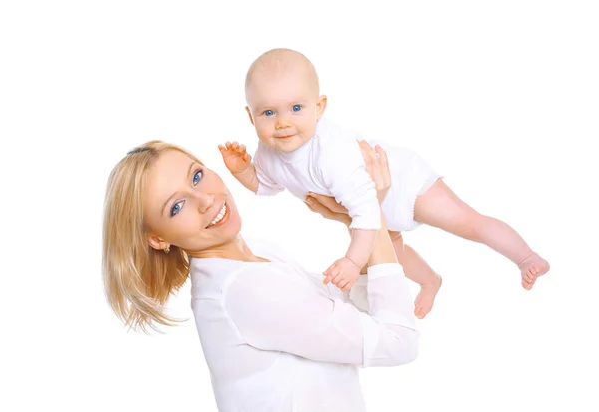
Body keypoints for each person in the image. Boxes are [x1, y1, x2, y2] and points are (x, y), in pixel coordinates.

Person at [220, 47, 550, 319]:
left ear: (318, 107)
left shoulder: (330, 154)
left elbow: (365, 212)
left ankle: (526, 257)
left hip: (402, 184)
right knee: (393, 253)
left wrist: (352, 261)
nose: (283, 123)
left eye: (295, 108)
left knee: (466, 222)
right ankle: (430, 281)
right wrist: (243, 171)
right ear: (251, 116)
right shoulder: (269, 151)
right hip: (367, 207)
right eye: (268, 113)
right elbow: (267, 186)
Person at [102, 139, 418, 412]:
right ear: (158, 239)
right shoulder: (245, 290)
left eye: (197, 176)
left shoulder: (255, 256)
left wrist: (357, 221)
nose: (205, 200)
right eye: (176, 206)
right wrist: (369, 208)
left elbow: (356, 313)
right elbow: (398, 341)